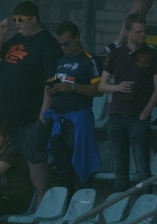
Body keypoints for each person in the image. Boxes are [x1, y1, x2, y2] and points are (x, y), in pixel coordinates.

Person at [0, 1, 63, 204]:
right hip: (6, 115)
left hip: (30, 117)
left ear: (34, 19)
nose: (17, 24)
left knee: (35, 161)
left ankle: (41, 205)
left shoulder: (47, 43)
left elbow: (51, 82)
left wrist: (42, 117)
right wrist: (1, 34)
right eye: (15, 20)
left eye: (21, 20)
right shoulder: (15, 39)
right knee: (7, 163)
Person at [99, 14, 157, 194]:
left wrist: (145, 114)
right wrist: (117, 87)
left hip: (138, 117)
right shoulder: (115, 54)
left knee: (143, 170)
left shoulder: (152, 54)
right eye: (138, 32)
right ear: (128, 33)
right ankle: (121, 210)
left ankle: (145, 211)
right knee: (120, 170)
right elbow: (102, 85)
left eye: (144, 31)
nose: (143, 35)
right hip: (116, 115)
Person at [41, 21, 103, 191]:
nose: (64, 48)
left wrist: (73, 87)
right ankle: (63, 209)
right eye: (61, 44)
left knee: (80, 165)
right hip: (59, 120)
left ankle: (82, 207)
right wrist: (51, 89)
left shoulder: (90, 60)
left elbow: (99, 90)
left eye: (67, 43)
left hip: (78, 120)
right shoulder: (61, 60)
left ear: (77, 38)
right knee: (62, 168)